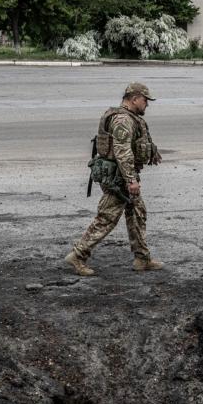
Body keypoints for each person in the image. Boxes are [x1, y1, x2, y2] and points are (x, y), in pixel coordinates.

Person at [65, 82, 164, 276]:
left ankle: (142, 259)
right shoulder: (122, 120)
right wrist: (130, 180)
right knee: (107, 218)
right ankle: (77, 255)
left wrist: (150, 152)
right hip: (119, 178)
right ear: (134, 98)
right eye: (145, 100)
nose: (147, 105)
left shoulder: (129, 118)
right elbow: (122, 152)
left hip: (123, 175)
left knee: (137, 213)